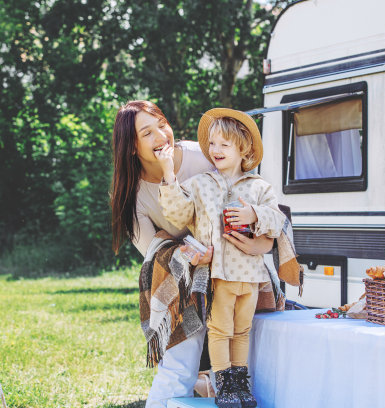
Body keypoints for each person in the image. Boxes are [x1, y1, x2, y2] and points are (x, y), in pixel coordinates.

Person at [109, 101, 275, 408]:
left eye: (162, 124)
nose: (162, 135)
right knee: (180, 360)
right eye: (147, 132)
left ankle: (220, 385)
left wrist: (260, 245)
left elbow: (254, 196)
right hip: (185, 274)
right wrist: (190, 255)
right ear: (131, 147)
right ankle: (187, 388)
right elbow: (155, 252)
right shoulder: (132, 196)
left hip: (237, 261)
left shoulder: (202, 157)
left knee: (248, 343)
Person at [155, 108, 285, 408]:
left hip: (250, 276)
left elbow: (278, 223)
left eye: (224, 145)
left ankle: (240, 385)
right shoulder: (200, 184)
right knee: (220, 329)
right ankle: (223, 384)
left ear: (244, 149)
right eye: (212, 144)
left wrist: (254, 214)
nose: (215, 150)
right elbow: (177, 212)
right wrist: (168, 174)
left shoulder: (259, 187)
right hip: (219, 276)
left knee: (242, 331)